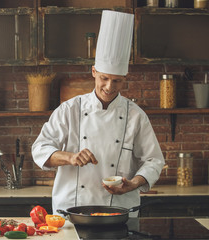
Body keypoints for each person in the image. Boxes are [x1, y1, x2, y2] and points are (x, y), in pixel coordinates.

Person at [31, 10, 165, 217]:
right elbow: (40, 149)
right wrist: (70, 157)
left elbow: (154, 160)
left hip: (119, 210)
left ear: (125, 78)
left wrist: (133, 184)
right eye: (104, 78)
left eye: (117, 80)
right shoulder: (70, 110)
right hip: (71, 209)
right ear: (94, 72)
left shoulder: (136, 116)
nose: (110, 86)